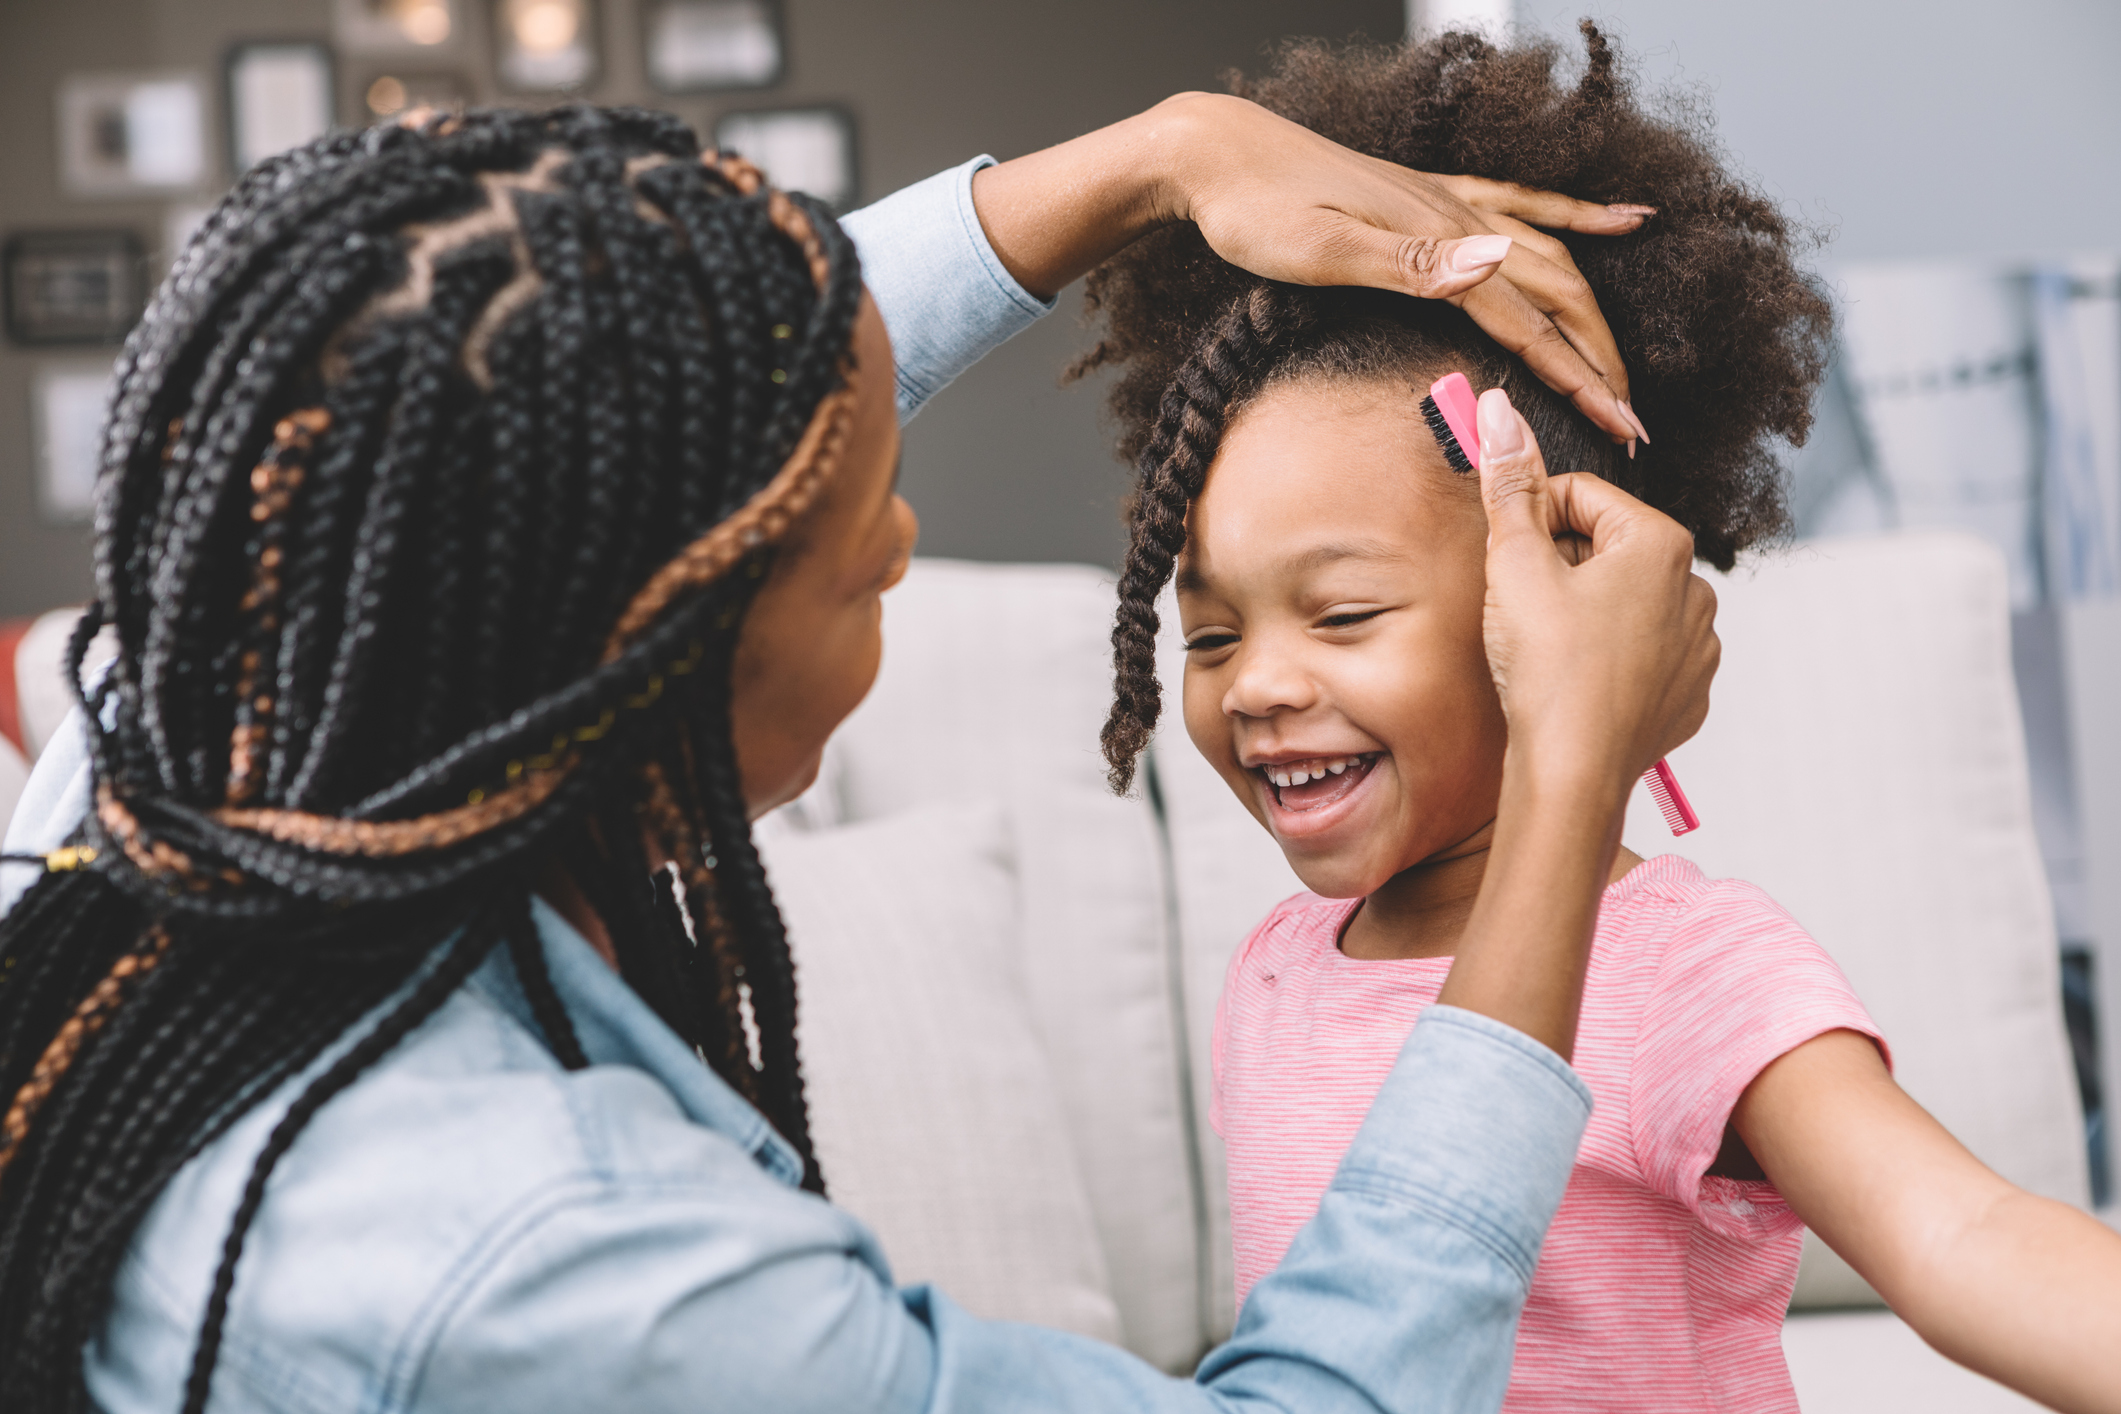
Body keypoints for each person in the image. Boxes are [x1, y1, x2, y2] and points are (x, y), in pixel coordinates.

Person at [0, 95, 1716, 1414]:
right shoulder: (552, 1262)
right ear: (665, 652)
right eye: (858, 550)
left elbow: (618, 410)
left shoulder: (185, 742)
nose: (902, 534)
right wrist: (1567, 770)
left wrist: (1159, 158)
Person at [1083, 26, 2121, 1414]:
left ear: (1557, 592)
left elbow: (1963, 1235)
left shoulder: (1683, 965)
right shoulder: (1275, 967)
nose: (1255, 682)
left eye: (1340, 617)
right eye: (1209, 635)